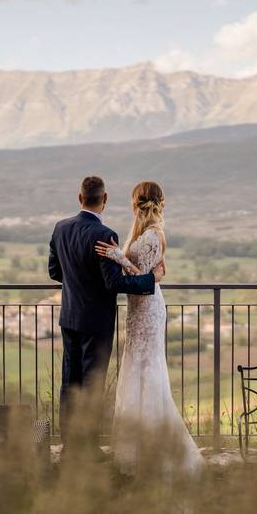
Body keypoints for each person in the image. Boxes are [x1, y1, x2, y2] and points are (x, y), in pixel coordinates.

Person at [48, 176, 165, 458]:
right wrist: (151, 280)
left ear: (80, 198)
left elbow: (54, 272)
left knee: (70, 382)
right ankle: (87, 448)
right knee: (92, 383)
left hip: (70, 317)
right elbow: (113, 284)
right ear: (105, 199)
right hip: (96, 321)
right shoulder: (104, 235)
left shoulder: (60, 228)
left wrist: (78, 284)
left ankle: (69, 446)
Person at [95, 181, 204, 477]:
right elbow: (159, 271)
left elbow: (141, 274)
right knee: (138, 366)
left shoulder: (151, 236)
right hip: (140, 308)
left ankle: (150, 446)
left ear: (137, 204)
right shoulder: (149, 235)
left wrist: (117, 255)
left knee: (146, 368)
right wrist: (122, 256)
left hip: (147, 308)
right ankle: (137, 443)